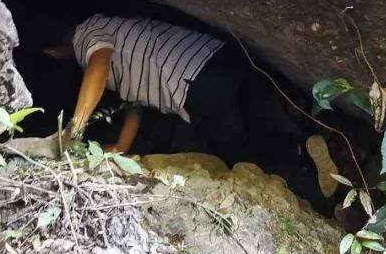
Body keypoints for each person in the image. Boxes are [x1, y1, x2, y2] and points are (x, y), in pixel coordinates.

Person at [40, 13, 340, 206]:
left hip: (195, 80)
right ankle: (305, 151)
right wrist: (120, 146)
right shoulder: (112, 25)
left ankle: (314, 197)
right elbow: (136, 105)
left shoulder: (86, 38)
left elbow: (98, 66)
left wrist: (74, 130)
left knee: (241, 160)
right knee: (261, 130)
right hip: (223, 55)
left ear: (52, 52)